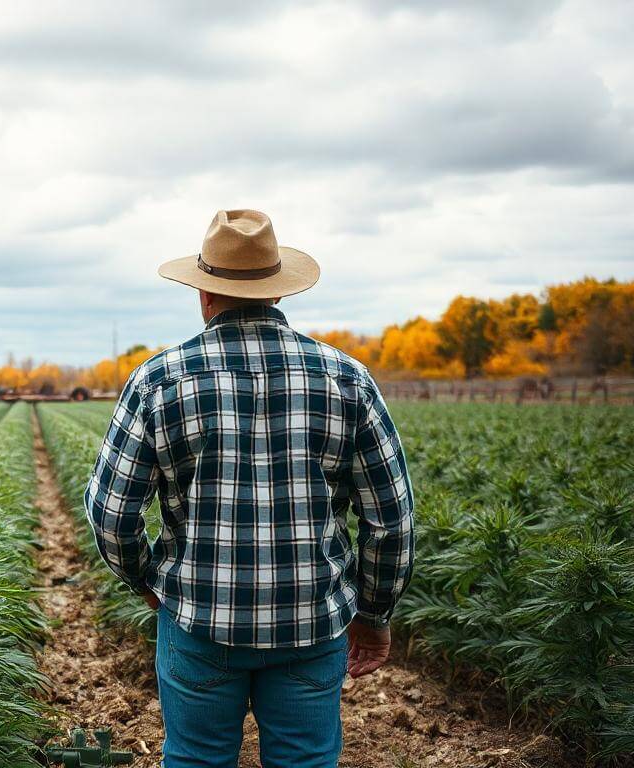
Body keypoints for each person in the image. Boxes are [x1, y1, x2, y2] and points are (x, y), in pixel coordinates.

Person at [85, 209, 414, 768]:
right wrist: (375, 615)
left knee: (195, 759)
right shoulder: (347, 377)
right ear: (277, 294)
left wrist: (145, 582)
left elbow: (112, 515)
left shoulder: (160, 380)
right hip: (312, 623)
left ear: (204, 295)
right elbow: (391, 521)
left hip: (199, 620)